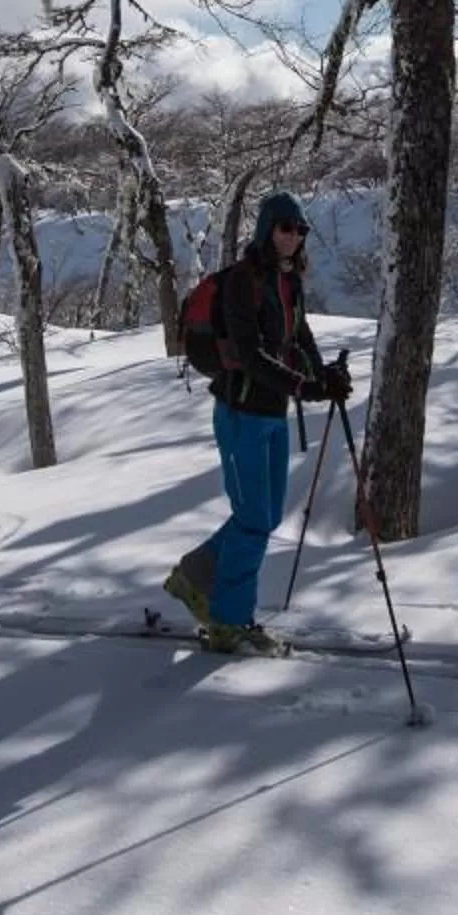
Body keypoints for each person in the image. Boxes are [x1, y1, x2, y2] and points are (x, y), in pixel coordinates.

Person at [163, 191, 349, 655]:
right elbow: (249, 355)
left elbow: (300, 337)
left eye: (300, 229)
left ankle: (194, 577)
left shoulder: (289, 282)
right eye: (286, 227)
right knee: (251, 521)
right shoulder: (242, 282)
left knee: (264, 518)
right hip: (240, 413)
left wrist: (324, 376)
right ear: (267, 229)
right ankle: (229, 623)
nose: (294, 236)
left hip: (272, 413)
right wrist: (303, 387)